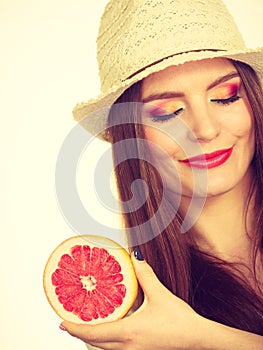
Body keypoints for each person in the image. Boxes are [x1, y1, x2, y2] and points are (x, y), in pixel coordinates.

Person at [60, 0, 263, 348]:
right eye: (168, 112)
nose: (205, 129)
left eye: (225, 96)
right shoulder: (137, 320)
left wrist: (201, 340)